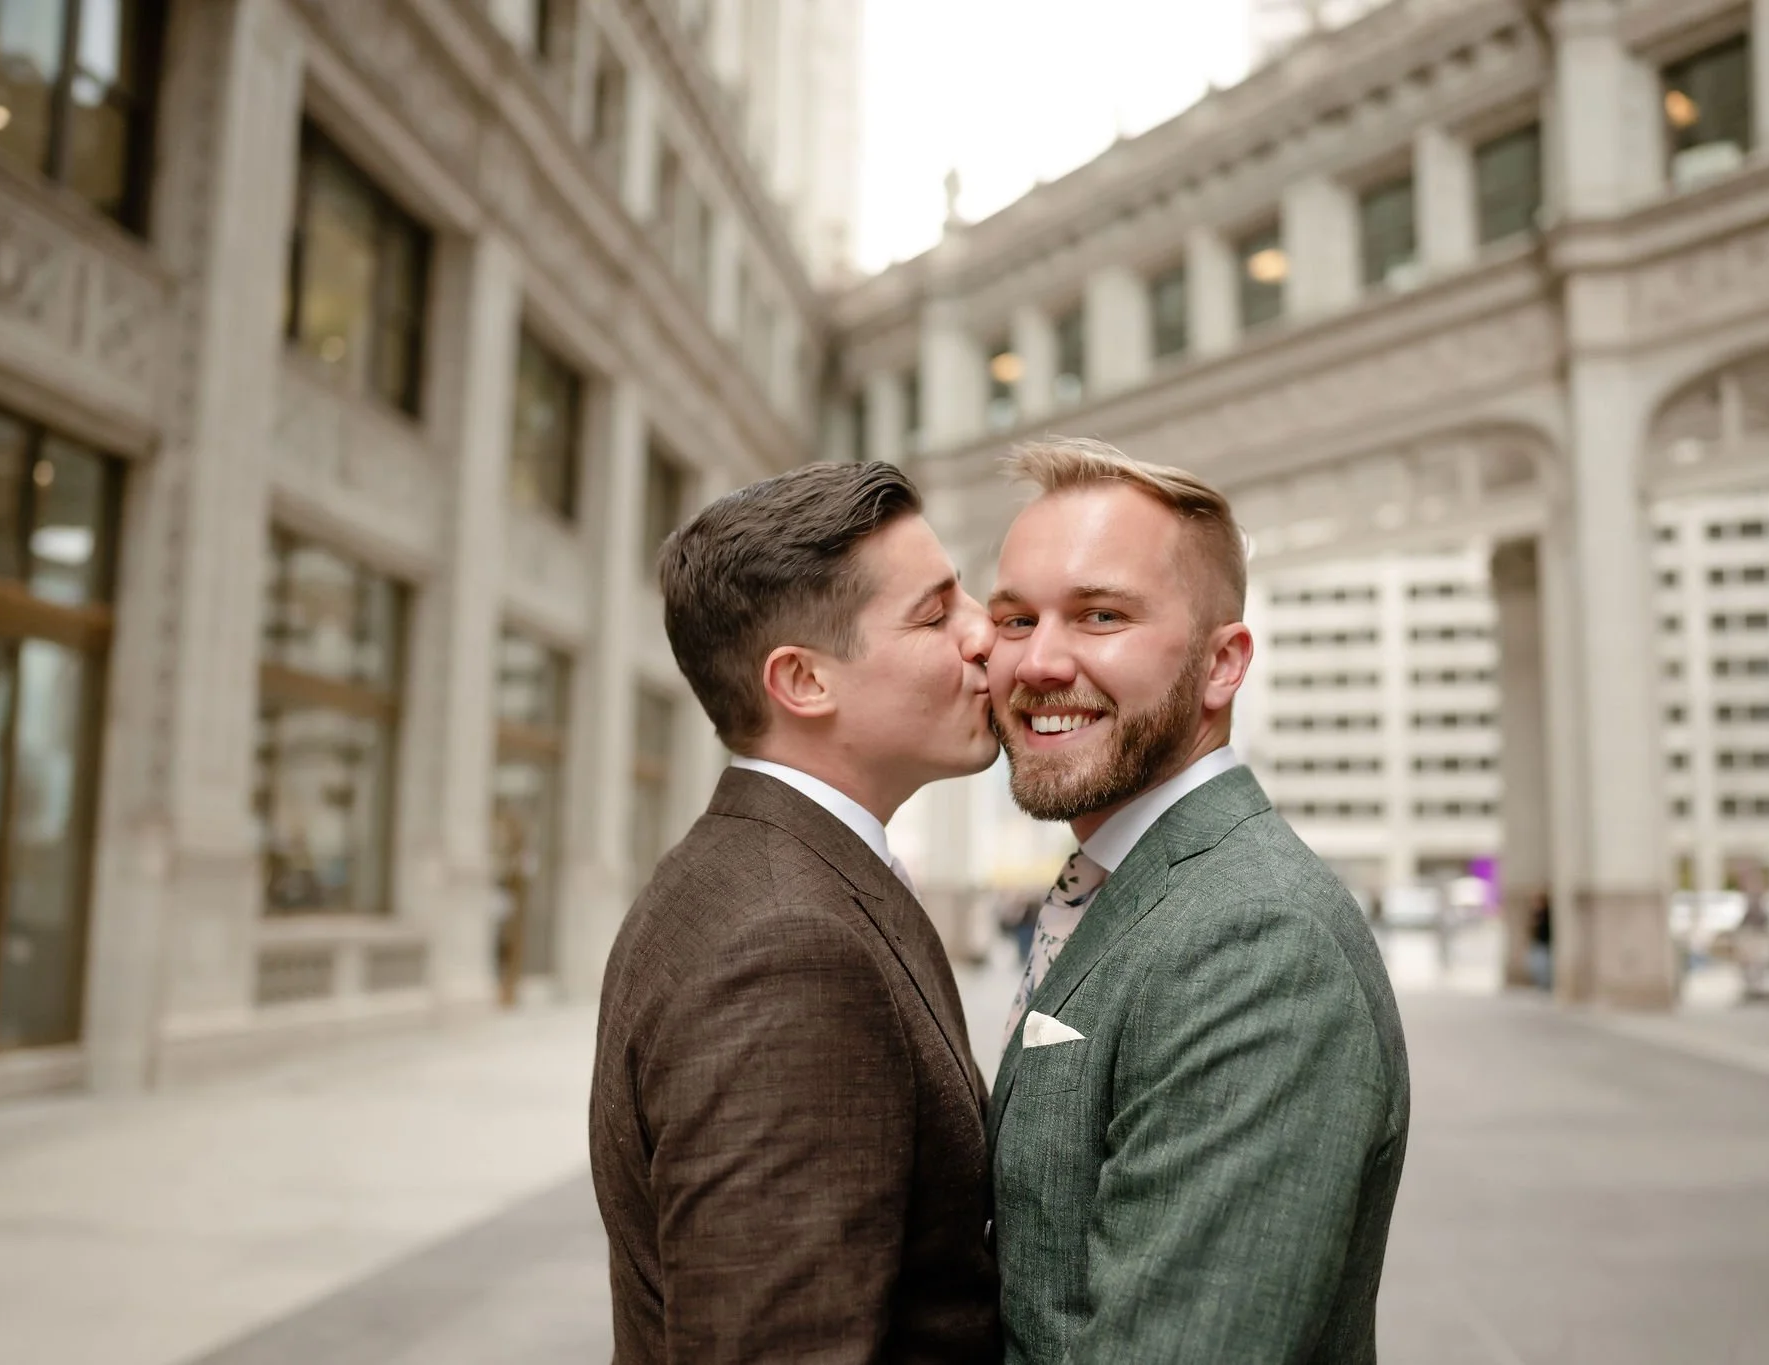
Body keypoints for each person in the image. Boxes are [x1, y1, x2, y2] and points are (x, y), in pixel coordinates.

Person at [983, 438, 1411, 1365]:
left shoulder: (1258, 942)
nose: (1038, 662)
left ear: (1223, 664)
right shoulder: (1122, 881)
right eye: (1014, 619)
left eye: (1100, 615)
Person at [589, 462, 1002, 1363]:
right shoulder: (788, 949)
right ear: (805, 680)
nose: (985, 632)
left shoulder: (751, 874)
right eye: (935, 614)